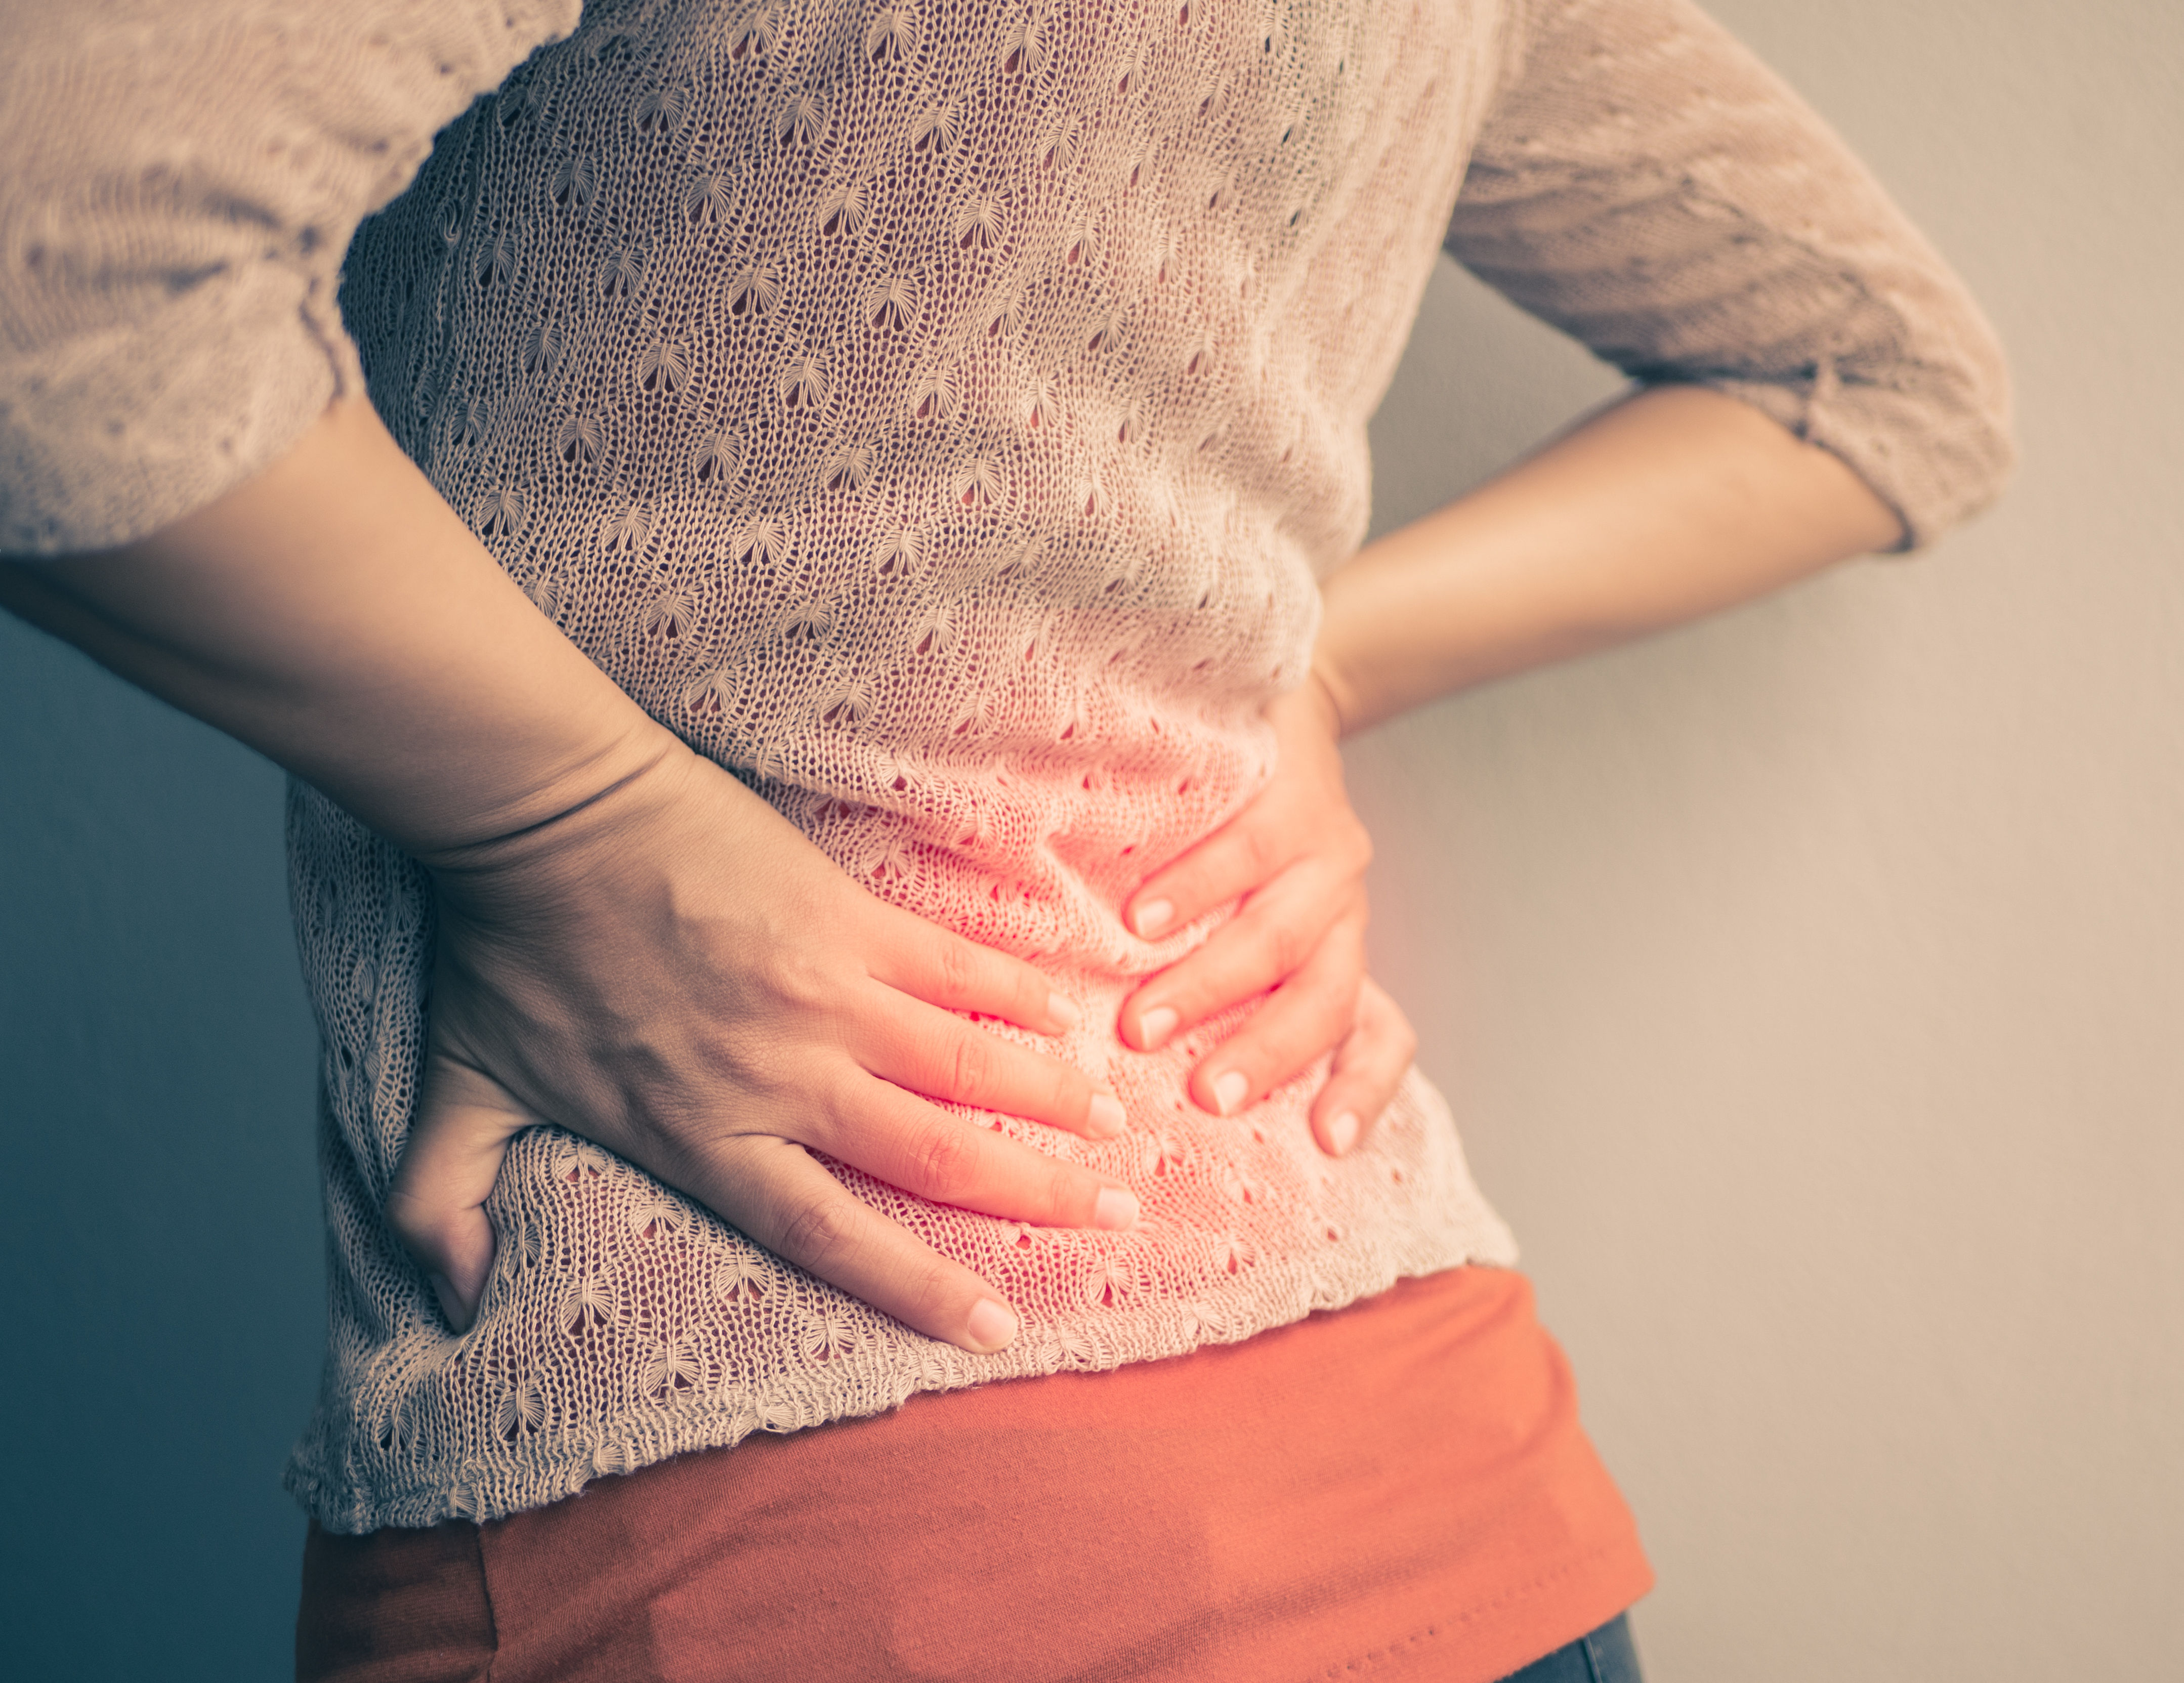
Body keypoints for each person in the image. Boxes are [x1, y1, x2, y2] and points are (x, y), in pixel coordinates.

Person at [0, 0, 2011, 1677]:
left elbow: (41, 282)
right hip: (1460, 1509)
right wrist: (1303, 669)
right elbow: (1886, 384)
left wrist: (575, 821)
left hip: (770, 1552)